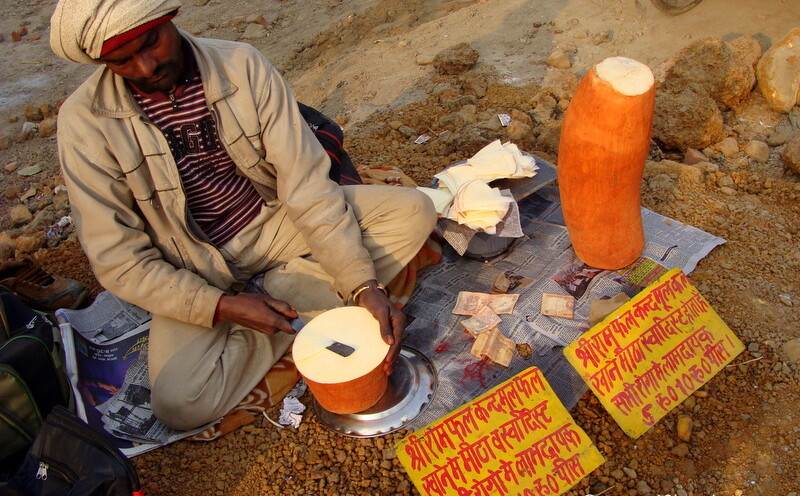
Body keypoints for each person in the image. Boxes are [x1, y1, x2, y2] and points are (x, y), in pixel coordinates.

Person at [49, 0, 436, 430]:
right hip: (191, 267)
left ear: (167, 19)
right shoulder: (84, 122)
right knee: (180, 403)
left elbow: (306, 186)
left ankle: (285, 297)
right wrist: (221, 307)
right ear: (102, 63)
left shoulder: (241, 66)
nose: (145, 67)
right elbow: (118, 260)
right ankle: (288, 305)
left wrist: (363, 285)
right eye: (122, 61)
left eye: (151, 43)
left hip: (273, 224)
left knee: (415, 211)